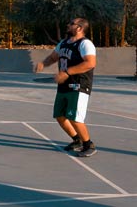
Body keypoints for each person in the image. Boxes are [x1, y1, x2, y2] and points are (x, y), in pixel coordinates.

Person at [33, 17, 97, 157]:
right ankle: (77, 140)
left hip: (79, 85)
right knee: (60, 115)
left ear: (79, 28)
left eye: (71, 24)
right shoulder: (63, 43)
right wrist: (44, 64)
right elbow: (53, 57)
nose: (68, 25)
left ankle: (88, 144)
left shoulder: (85, 44)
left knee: (75, 117)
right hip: (64, 85)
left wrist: (67, 72)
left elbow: (90, 63)